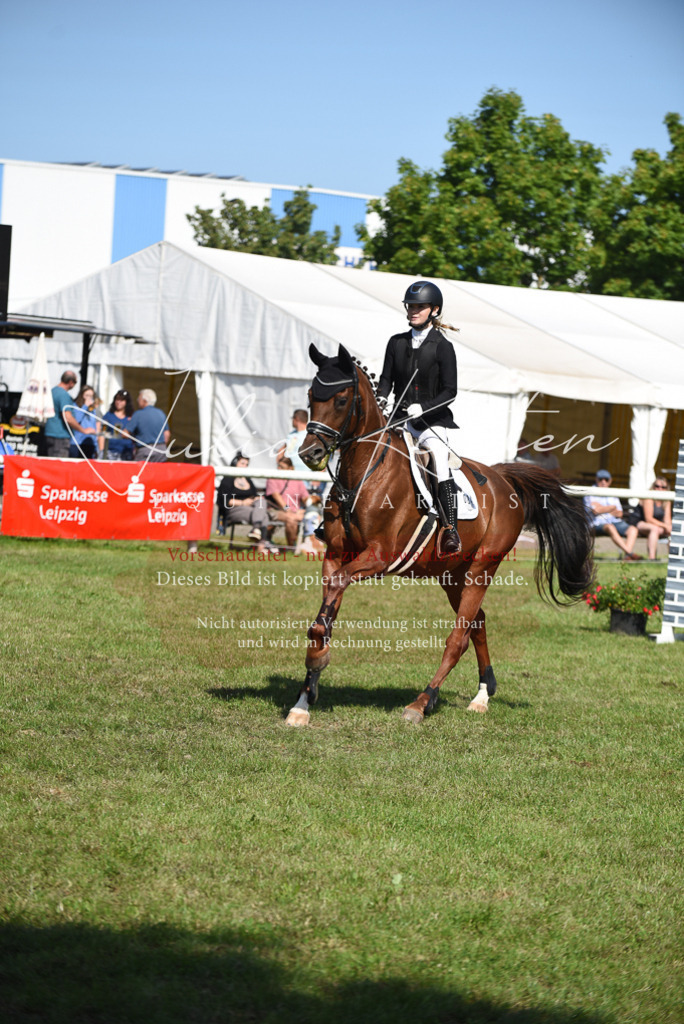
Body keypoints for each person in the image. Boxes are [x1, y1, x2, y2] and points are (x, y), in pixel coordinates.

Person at [376, 280, 461, 554]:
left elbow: (450, 391)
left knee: (438, 459)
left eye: (419, 307)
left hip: (430, 423)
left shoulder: (442, 347)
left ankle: (450, 529)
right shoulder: (396, 342)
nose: (413, 310)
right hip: (399, 421)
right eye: (410, 306)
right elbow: (386, 380)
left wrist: (423, 408)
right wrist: (381, 397)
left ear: (434, 310)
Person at [216, 452, 276, 553]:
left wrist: (255, 500)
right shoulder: (228, 479)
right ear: (235, 463)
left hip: (252, 509)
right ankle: (261, 545)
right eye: (242, 463)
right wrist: (243, 502)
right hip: (234, 510)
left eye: (246, 464)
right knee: (264, 516)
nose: (244, 466)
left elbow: (255, 495)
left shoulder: (248, 479)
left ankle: (256, 530)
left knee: (261, 501)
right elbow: (225, 501)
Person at [584, 468, 641, 560]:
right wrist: (611, 508)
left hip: (614, 521)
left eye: (606, 479)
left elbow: (619, 514)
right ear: (596, 479)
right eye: (600, 479)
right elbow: (595, 511)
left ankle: (627, 556)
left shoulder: (612, 492)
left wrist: (601, 507)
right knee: (610, 527)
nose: (603, 482)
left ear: (610, 481)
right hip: (596, 524)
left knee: (633, 529)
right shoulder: (590, 492)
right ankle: (630, 553)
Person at [266, 454, 308, 548]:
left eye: (282, 467)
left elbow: (305, 497)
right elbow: (276, 496)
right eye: (278, 466)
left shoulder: (297, 480)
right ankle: (292, 547)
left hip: (295, 512)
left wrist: (307, 509)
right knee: (291, 519)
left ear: (290, 468)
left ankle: (309, 545)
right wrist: (288, 509)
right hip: (275, 510)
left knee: (311, 516)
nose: (279, 469)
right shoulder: (272, 478)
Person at [625, 477, 672, 560]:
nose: (659, 489)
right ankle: (652, 558)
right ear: (653, 487)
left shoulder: (666, 501)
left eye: (663, 487)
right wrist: (665, 526)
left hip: (657, 525)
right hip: (639, 522)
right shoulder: (648, 498)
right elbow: (648, 519)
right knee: (655, 529)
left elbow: (667, 519)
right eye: (657, 486)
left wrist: (669, 527)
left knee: (671, 530)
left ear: (666, 489)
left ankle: (674, 559)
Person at [43, 370, 85, 458]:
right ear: (70, 382)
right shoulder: (63, 395)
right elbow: (68, 417)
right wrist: (82, 430)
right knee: (58, 466)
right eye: (75, 382)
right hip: (60, 436)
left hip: (49, 433)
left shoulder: (52, 391)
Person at [127, 389, 170, 462]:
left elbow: (125, 433)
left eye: (139, 398)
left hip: (145, 451)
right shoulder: (161, 413)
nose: (137, 400)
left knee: (139, 472)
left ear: (144, 401)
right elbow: (167, 434)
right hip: (161, 450)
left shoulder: (138, 414)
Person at [100, 389, 135, 461]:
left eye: (122, 400)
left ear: (126, 402)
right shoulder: (108, 416)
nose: (119, 402)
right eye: (117, 399)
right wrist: (101, 451)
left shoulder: (132, 417)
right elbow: (102, 433)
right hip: (110, 452)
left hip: (126, 452)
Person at [68, 385, 100, 459]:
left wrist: (96, 446)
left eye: (91, 396)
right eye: (87, 395)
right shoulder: (75, 406)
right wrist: (85, 406)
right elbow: (76, 420)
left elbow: (94, 427)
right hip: (77, 443)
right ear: (82, 395)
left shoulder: (92, 409)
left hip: (89, 443)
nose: (89, 398)